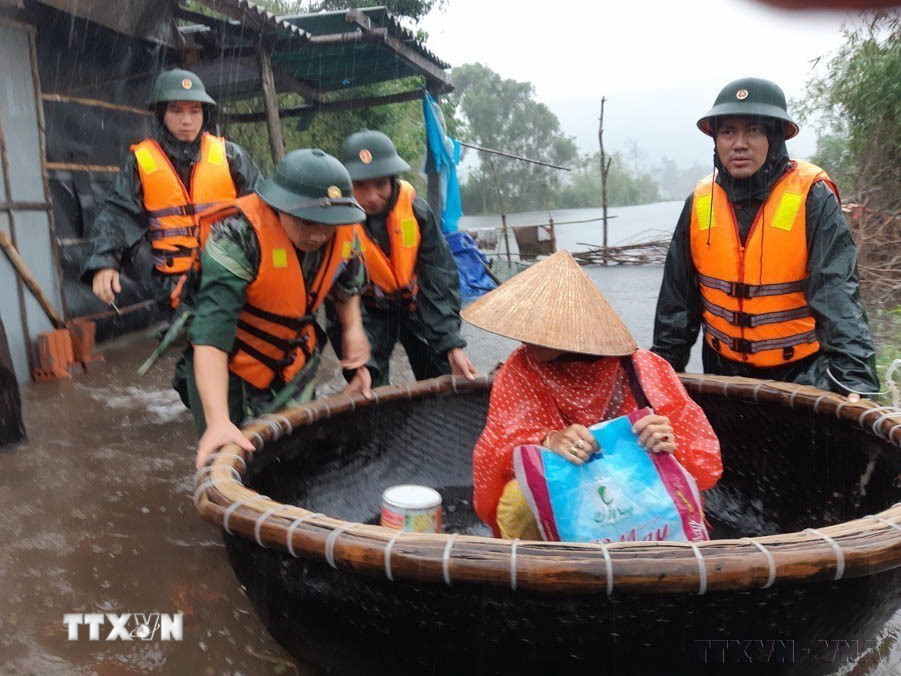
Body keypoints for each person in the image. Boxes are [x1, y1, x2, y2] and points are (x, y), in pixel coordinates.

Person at [464, 251, 722, 539]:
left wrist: (667, 441)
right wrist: (548, 440)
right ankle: (542, 573)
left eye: (534, 330)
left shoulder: (644, 368)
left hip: (638, 497)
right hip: (564, 495)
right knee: (517, 502)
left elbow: (701, 460)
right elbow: (498, 445)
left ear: (566, 331)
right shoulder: (520, 368)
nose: (523, 338)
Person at [652, 77, 879, 400]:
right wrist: (665, 366)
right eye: (728, 131)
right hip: (722, 369)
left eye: (754, 130)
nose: (739, 143)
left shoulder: (812, 195)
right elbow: (677, 298)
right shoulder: (701, 201)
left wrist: (854, 376)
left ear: (775, 137)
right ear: (716, 140)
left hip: (800, 372)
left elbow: (836, 291)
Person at [184, 148, 371, 469]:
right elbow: (211, 337)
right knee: (231, 459)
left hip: (293, 357)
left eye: (327, 224)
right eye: (306, 221)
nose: (317, 234)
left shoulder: (344, 231)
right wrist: (217, 420)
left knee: (297, 453)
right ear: (279, 205)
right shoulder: (237, 239)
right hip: (231, 365)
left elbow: (347, 285)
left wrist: (353, 330)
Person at [82, 68, 259, 313]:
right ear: (161, 115)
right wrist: (105, 262)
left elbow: (262, 214)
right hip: (174, 286)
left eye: (194, 111)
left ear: (204, 114)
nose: (186, 120)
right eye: (176, 110)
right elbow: (117, 212)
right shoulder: (141, 161)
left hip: (229, 276)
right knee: (190, 346)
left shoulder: (231, 156)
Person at [329, 129, 476, 387]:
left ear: (393, 181)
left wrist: (451, 343)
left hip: (416, 305)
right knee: (367, 382)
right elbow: (336, 296)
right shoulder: (334, 226)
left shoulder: (417, 213)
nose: (371, 197)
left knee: (442, 370)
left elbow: (439, 277)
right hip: (369, 311)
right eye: (360, 186)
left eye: (380, 185)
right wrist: (361, 362)